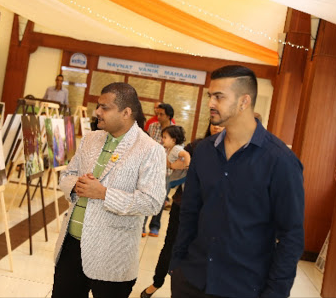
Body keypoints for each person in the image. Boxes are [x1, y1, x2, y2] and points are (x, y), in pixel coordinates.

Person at [169, 65, 304, 298]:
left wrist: (275, 293)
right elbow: (190, 211)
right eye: (210, 96)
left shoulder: (280, 161)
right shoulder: (204, 151)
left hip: (242, 287)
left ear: (244, 101)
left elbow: (291, 236)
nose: (211, 103)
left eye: (219, 97)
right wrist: (177, 264)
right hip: (191, 280)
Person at [51, 82, 166, 298]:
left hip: (112, 255)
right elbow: (66, 175)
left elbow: (152, 202)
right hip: (72, 247)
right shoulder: (91, 139)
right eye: (98, 106)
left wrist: (103, 193)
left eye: (105, 108)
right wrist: (77, 185)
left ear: (126, 112)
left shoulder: (150, 150)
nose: (97, 112)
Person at [140, 121, 223, 298]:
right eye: (214, 124)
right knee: (171, 245)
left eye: (222, 125)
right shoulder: (197, 145)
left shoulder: (232, 152)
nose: (217, 127)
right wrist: (174, 166)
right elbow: (175, 163)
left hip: (210, 210)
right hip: (183, 204)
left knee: (197, 252)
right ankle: (156, 282)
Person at [143, 103, 174, 237]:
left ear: (168, 116)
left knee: (160, 200)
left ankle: (155, 226)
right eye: (158, 114)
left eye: (161, 114)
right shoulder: (152, 127)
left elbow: (176, 152)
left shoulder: (174, 131)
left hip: (166, 172)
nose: (158, 116)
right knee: (144, 197)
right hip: (149, 168)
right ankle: (141, 226)